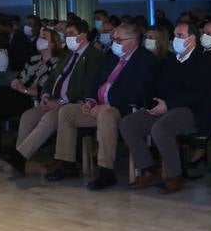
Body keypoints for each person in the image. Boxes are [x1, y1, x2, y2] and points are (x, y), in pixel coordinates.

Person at [45, 23, 156, 190]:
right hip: (100, 105)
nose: (114, 43)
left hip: (124, 108)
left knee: (107, 115)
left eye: (119, 39)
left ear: (133, 40)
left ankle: (106, 171)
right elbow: (95, 82)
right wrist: (91, 100)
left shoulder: (145, 59)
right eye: (113, 39)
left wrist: (108, 104)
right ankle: (67, 163)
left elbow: (138, 92)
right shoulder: (111, 56)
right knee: (66, 112)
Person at [121, 23, 211, 194]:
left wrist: (168, 105)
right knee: (128, 124)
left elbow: (198, 94)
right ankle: (150, 171)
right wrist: (154, 103)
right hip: (168, 107)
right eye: (175, 36)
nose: (176, 40)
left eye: (180, 36)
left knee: (161, 128)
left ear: (192, 39)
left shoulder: (204, 61)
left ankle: (175, 176)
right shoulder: (171, 61)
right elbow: (160, 87)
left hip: (194, 110)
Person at [0, 18, 104, 175]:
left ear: (83, 36)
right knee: (29, 116)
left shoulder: (93, 56)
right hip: (55, 101)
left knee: (50, 118)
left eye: (71, 34)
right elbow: (51, 78)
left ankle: (19, 157)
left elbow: (86, 87)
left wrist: (61, 101)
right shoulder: (69, 54)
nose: (67, 37)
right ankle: (22, 159)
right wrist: (46, 95)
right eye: (66, 33)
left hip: (73, 104)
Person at [0, 26, 66, 170]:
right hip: (18, 95)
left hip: (33, 99)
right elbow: (21, 77)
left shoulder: (58, 63)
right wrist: (17, 83)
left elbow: (44, 89)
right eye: (40, 36)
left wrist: (24, 89)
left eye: (44, 38)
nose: (40, 40)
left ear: (53, 43)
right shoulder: (34, 59)